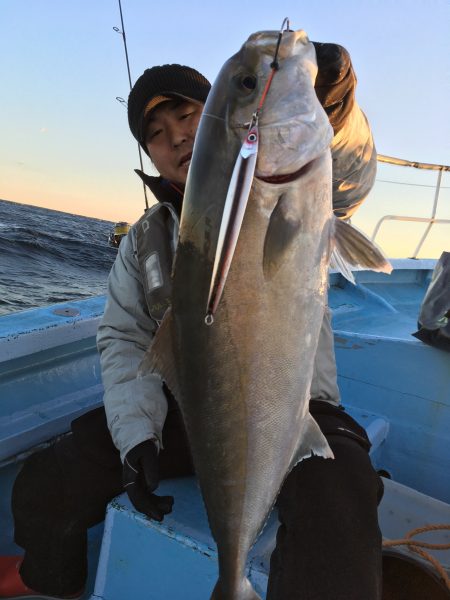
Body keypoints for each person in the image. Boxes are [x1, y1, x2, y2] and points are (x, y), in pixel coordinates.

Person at [0, 42, 383, 600]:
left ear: (226, 122)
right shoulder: (146, 239)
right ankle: (47, 579)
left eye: (187, 114)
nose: (177, 135)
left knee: (341, 499)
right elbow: (125, 336)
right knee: (50, 476)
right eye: (156, 131)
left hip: (296, 404)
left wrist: (335, 100)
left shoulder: (301, 185)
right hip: (197, 410)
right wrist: (136, 438)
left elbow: (347, 170)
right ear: (149, 155)